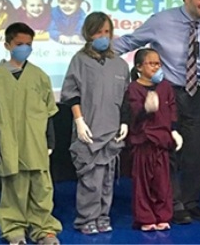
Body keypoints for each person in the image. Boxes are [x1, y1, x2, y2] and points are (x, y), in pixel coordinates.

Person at [113, 0, 200, 224]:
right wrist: (97, 51)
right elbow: (131, 41)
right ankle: (173, 204)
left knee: (196, 152)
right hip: (166, 92)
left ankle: (191, 201)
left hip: (195, 93)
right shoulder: (162, 21)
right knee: (168, 151)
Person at [0, 22, 62, 245]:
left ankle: (43, 229)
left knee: (41, 188)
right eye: (19, 44)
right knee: (14, 187)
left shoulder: (40, 77)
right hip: (9, 144)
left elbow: (49, 112)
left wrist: (50, 141)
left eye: (28, 44)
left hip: (36, 143)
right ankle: (13, 228)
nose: (24, 48)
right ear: (7, 45)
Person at [59, 12, 130, 234]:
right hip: (89, 129)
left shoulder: (119, 64)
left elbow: (127, 97)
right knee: (91, 178)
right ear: (88, 34)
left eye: (107, 32)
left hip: (112, 130)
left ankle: (102, 215)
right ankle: (86, 218)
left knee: (108, 177)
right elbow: (71, 93)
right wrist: (79, 120)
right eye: (98, 32)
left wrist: (125, 122)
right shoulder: (80, 61)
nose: (103, 36)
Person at [126, 48, 182, 231]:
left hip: (162, 142)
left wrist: (174, 131)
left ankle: (162, 215)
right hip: (144, 142)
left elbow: (172, 108)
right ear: (139, 67)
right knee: (143, 183)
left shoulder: (165, 86)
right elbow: (133, 113)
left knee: (162, 182)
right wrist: (145, 109)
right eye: (151, 63)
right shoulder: (134, 88)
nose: (156, 67)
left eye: (158, 63)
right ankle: (145, 217)